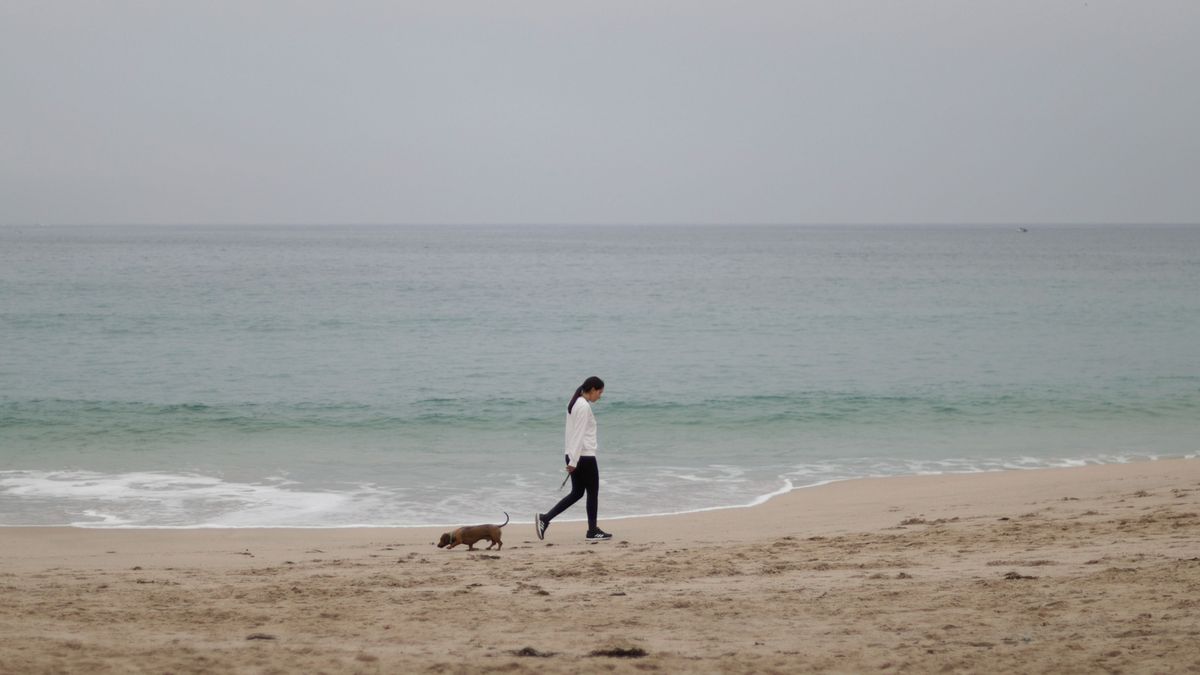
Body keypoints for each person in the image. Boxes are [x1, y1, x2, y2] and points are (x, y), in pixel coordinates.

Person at [535, 376, 613, 541]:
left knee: (577, 493)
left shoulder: (575, 403)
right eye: (600, 392)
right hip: (584, 457)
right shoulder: (583, 406)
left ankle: (545, 519)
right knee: (592, 493)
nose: (600, 396)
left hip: (574, 454)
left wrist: (571, 458)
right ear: (592, 390)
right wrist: (574, 461)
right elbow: (578, 435)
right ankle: (592, 531)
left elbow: (573, 434)